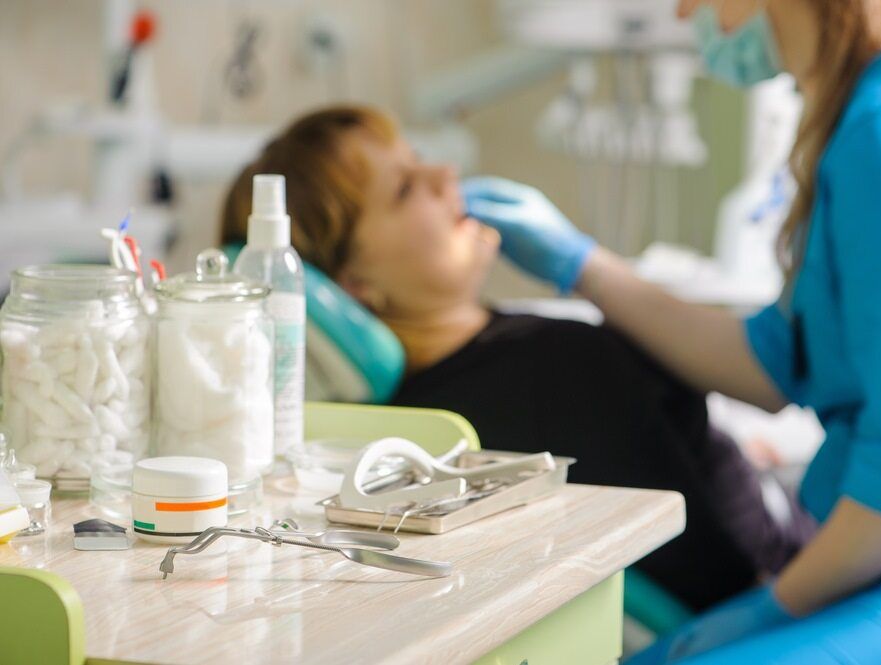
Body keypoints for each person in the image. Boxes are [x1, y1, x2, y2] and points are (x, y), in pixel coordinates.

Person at [463, 0, 881, 662]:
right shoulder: (875, 108)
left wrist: (775, 606)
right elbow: (777, 360)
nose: (684, 12)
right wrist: (583, 265)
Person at [219, 106, 815, 613]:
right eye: (404, 189)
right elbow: (720, 566)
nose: (445, 174)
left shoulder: (416, 415)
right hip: (784, 588)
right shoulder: (558, 368)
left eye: (420, 159)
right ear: (355, 286)